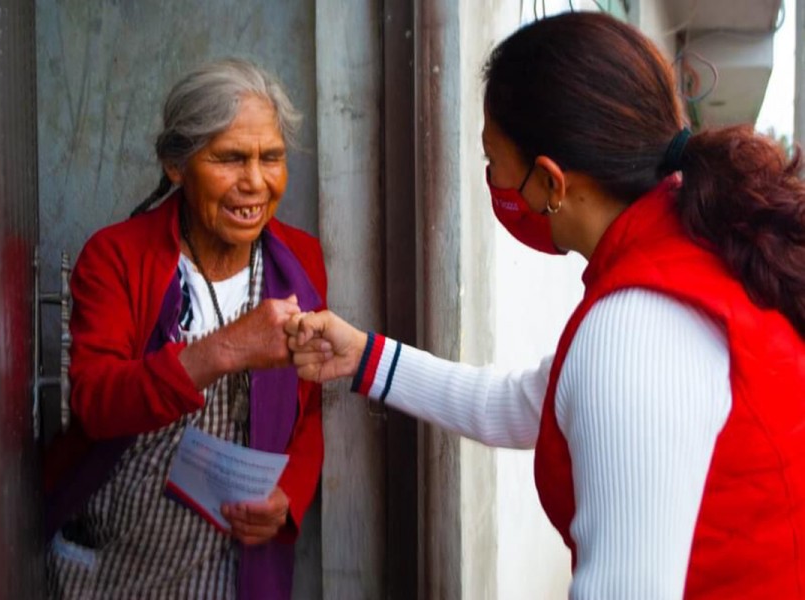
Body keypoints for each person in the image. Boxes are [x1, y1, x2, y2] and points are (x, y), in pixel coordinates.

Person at [287, 12, 805, 599]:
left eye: (492, 159)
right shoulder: (691, 248)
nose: (490, 179)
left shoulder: (638, 326)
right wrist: (362, 358)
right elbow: (527, 403)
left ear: (552, 182)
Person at [43, 59, 327, 599]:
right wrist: (226, 349)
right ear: (176, 164)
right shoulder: (117, 257)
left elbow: (309, 409)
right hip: (114, 561)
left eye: (272, 157)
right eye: (229, 159)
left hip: (233, 563)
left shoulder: (300, 262)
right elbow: (95, 404)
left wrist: (288, 494)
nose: (255, 182)